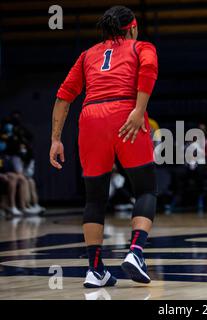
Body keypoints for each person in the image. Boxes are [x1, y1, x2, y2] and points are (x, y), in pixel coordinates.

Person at [49, 6, 158, 288]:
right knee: (145, 188)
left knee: (95, 198)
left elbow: (63, 97)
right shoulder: (142, 47)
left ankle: (95, 269)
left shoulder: (87, 55)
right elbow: (149, 70)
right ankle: (135, 251)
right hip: (125, 111)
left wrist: (55, 139)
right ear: (132, 28)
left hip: (91, 117)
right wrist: (138, 110)